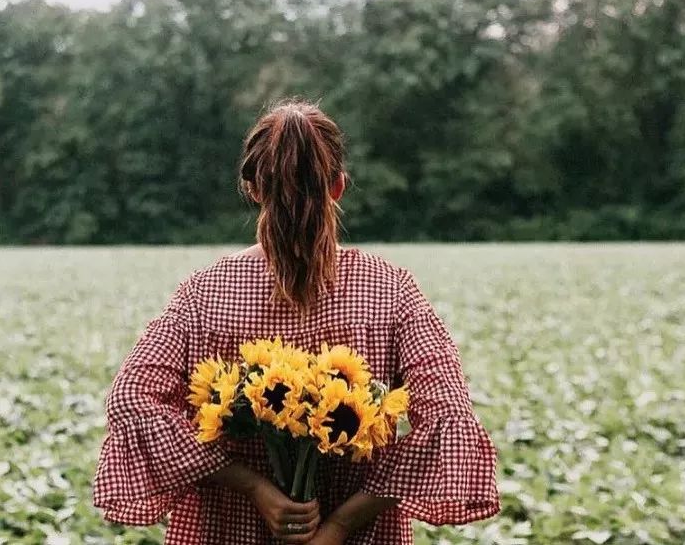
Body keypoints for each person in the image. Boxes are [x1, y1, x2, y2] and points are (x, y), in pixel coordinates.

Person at [92, 99, 500, 544]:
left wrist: (251, 485)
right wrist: (342, 524)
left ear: (252, 189)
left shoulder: (204, 293)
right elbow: (449, 419)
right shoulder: (391, 289)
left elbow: (131, 399)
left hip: (225, 531)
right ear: (339, 186)